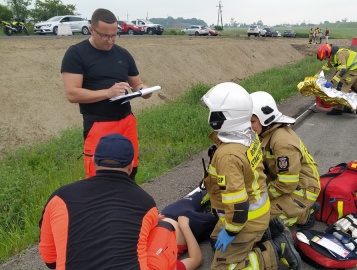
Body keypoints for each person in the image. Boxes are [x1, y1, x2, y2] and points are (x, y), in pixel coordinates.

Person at [38, 133, 178, 269]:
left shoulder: (60, 196)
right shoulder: (146, 202)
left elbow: (50, 260)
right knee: (163, 227)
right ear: (131, 166)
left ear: (93, 161)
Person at [201, 82, 302, 270]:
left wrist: (232, 230)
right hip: (257, 211)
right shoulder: (247, 134)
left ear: (222, 117)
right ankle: (259, 236)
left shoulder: (228, 156)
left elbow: (238, 205)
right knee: (215, 241)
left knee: (223, 267)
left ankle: (274, 250)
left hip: (246, 219)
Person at [61, 8, 152, 180]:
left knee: (130, 170)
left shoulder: (123, 54)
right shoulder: (76, 54)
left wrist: (143, 91)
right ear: (91, 29)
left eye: (114, 35)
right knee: (100, 177)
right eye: (105, 36)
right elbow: (72, 94)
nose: (110, 41)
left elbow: (136, 83)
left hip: (126, 121)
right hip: (99, 124)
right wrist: (107, 93)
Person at [250, 91, 321, 229]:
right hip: (283, 182)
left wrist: (261, 198)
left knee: (259, 222)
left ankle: (305, 214)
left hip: (302, 190)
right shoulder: (266, 133)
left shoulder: (282, 143)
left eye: (252, 121)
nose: (249, 125)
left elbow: (287, 184)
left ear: (265, 119)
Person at [317, 43, 357, 116]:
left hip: (355, 67)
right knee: (355, 84)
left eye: (325, 58)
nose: (325, 60)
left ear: (329, 54)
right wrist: (316, 76)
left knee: (342, 85)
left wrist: (331, 82)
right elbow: (325, 68)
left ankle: (338, 109)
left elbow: (342, 71)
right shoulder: (332, 57)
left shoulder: (339, 55)